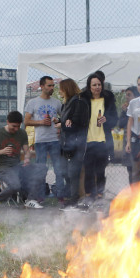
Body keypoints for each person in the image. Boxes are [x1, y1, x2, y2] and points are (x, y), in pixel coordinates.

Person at [0, 111, 46, 210]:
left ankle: (30, 200)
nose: (16, 129)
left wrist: (27, 159)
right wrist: (2, 151)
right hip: (3, 168)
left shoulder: (22, 133)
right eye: (14, 126)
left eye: (18, 126)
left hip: (18, 166)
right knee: (15, 186)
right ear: (7, 122)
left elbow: (27, 151)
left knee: (42, 168)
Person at [80, 71, 118, 206]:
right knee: (88, 170)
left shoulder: (108, 99)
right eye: (94, 85)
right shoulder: (83, 99)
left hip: (103, 140)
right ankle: (89, 195)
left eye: (99, 84)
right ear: (89, 86)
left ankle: (100, 195)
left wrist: (107, 120)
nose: (97, 87)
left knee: (100, 170)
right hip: (87, 141)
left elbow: (115, 119)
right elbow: (77, 118)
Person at [24, 76, 63, 200]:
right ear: (42, 86)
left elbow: (65, 119)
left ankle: (61, 196)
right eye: (49, 85)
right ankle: (39, 196)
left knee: (58, 169)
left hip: (55, 141)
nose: (52, 88)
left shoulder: (57, 102)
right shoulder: (32, 102)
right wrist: (41, 122)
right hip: (40, 141)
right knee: (41, 169)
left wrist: (58, 122)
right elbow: (26, 121)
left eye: (53, 85)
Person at [57, 78, 88, 210]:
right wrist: (61, 121)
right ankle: (71, 196)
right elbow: (67, 122)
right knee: (64, 171)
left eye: (61, 89)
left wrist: (63, 124)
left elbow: (76, 124)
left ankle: (74, 199)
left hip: (77, 143)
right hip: (65, 143)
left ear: (66, 89)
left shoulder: (79, 103)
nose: (59, 92)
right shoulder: (66, 104)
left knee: (73, 172)